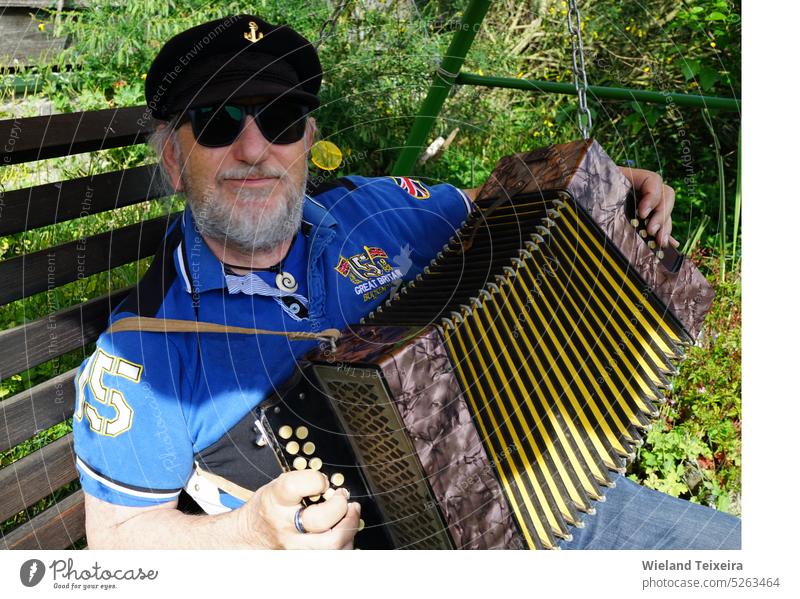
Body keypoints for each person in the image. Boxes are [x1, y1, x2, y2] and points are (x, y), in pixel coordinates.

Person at [73, 14, 739, 550]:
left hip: (556, 505)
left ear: (307, 139)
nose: (254, 149)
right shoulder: (144, 349)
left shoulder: (380, 208)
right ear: (173, 158)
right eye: (219, 123)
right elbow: (120, 537)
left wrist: (613, 187)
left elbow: (503, 204)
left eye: (279, 120)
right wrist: (249, 536)